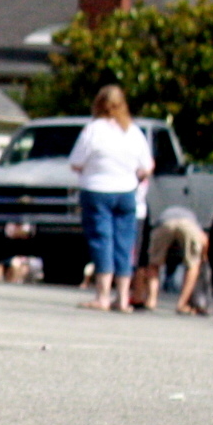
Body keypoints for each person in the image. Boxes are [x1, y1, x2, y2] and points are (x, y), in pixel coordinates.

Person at [67, 83, 153, 312]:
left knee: (101, 239)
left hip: (97, 190)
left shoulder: (94, 130)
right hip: (126, 192)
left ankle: (103, 295)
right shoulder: (133, 131)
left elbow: (76, 162)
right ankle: (123, 297)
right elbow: (147, 166)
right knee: (125, 243)